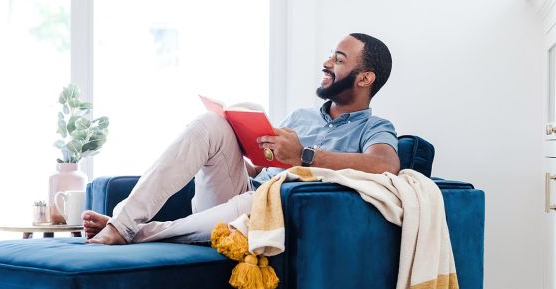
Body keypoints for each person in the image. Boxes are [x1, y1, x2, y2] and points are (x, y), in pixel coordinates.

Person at [83, 33, 400, 245]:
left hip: (275, 212)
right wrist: (242, 146)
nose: (326, 63)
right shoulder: (300, 118)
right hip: (245, 193)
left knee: (258, 200)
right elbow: (256, 172)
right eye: (330, 56)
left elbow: (385, 164)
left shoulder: (374, 128)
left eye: (339, 59)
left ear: (365, 78)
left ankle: (126, 230)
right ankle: (125, 222)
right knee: (210, 124)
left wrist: (304, 155)